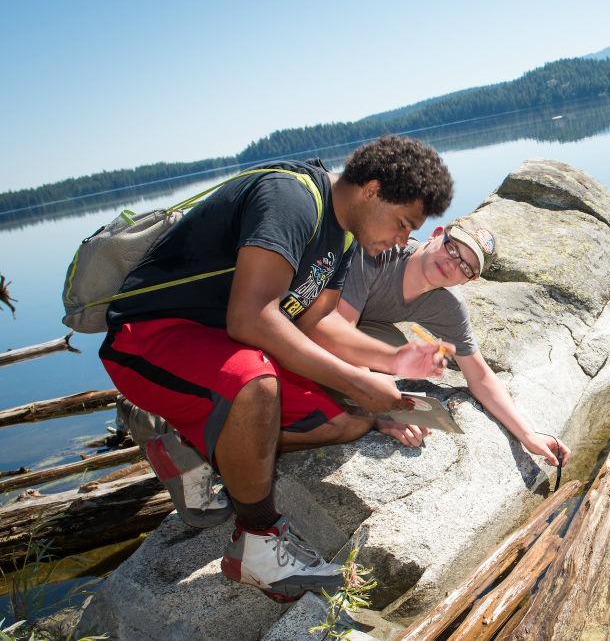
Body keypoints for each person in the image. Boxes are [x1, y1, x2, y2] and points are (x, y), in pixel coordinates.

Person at [101, 136, 454, 602]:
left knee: (347, 420)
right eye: (404, 223)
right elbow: (251, 317)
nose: (403, 240)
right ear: (371, 190)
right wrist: (354, 380)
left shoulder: (345, 233)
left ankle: (183, 440)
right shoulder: (291, 199)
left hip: (221, 346)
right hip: (149, 340)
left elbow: (317, 320)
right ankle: (257, 542)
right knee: (256, 385)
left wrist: (392, 360)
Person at [336, 216, 571, 467]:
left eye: (466, 268)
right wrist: (378, 407)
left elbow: (480, 377)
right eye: (453, 248)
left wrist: (528, 435)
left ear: (469, 280)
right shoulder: (382, 250)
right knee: (383, 363)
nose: (452, 265)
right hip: (313, 310)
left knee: (395, 349)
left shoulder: (447, 305)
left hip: (354, 325)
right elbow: (337, 333)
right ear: (436, 233)